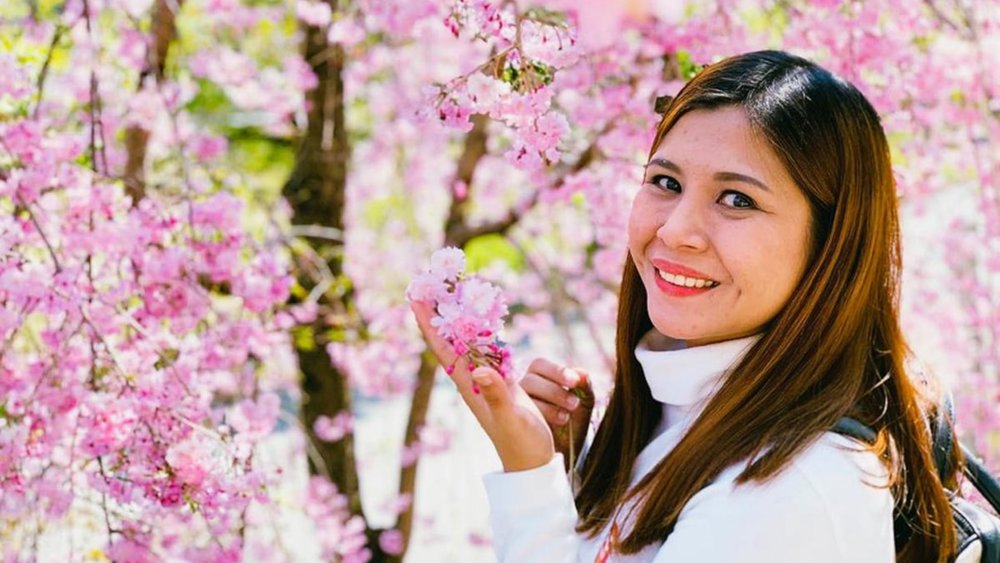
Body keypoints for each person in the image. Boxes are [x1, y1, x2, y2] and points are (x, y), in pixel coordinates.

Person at [411, 50, 960, 563]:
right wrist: (572, 475)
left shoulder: (793, 491)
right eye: (665, 181)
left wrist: (530, 481)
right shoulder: (676, 416)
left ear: (831, 242)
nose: (675, 231)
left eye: (737, 199)